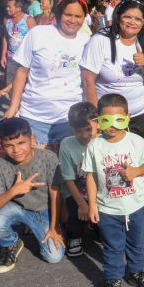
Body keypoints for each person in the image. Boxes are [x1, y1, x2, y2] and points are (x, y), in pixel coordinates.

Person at [83, 94, 144, 287]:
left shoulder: (136, 141)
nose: (113, 126)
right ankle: (112, 279)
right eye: (106, 120)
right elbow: (90, 176)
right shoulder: (95, 145)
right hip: (108, 209)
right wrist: (92, 205)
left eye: (119, 120)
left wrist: (137, 171)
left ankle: (136, 272)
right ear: (98, 119)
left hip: (135, 206)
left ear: (128, 117)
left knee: (136, 243)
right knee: (112, 246)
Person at [4, 0, 90, 147]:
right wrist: (13, 106)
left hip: (70, 120)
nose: (73, 20)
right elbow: (22, 71)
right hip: (34, 117)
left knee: (68, 169)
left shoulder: (87, 42)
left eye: (78, 16)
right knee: (37, 168)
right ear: (58, 13)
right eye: (68, 15)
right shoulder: (38, 33)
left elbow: (89, 80)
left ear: (84, 17)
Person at [0, 118, 65, 273]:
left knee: (54, 257)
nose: (16, 150)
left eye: (21, 143)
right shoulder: (0, 166)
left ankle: (43, 227)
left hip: (43, 210)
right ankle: (10, 243)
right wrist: (14, 191)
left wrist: (54, 227)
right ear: (2, 145)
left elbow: (55, 194)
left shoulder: (48, 157)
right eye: (9, 146)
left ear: (32, 140)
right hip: (16, 208)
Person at [81, 0, 144, 140]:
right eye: (127, 17)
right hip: (109, 117)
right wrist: (97, 117)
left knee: (137, 159)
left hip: (140, 114)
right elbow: (88, 80)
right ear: (118, 18)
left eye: (138, 19)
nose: (132, 22)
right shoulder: (101, 39)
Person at [57, 102, 99, 258]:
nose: (84, 135)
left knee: (105, 223)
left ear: (98, 124)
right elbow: (68, 179)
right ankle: (74, 236)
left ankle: (96, 227)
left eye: (89, 129)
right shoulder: (66, 144)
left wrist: (94, 204)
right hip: (76, 190)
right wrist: (82, 204)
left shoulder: (103, 142)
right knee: (76, 211)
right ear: (71, 128)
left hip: (99, 192)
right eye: (78, 131)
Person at [0, 0, 36, 92]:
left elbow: (36, 39)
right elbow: (6, 38)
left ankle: (25, 104)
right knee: (10, 83)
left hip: (26, 58)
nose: (7, 8)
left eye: (9, 7)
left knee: (27, 84)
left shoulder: (28, 20)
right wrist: (3, 55)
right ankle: (15, 105)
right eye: (7, 7)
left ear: (18, 8)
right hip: (11, 57)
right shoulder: (6, 20)